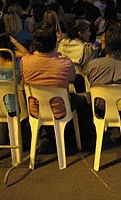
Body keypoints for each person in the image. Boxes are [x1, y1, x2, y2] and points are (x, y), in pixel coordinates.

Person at [21, 22, 88, 151]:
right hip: (60, 109)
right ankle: (83, 138)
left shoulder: (25, 61)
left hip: (35, 109)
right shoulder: (65, 63)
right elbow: (73, 79)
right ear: (54, 42)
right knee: (82, 99)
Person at [57, 18, 99, 92]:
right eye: (88, 31)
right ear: (80, 33)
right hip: (81, 88)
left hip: (62, 84)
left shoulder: (62, 43)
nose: (90, 33)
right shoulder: (86, 49)